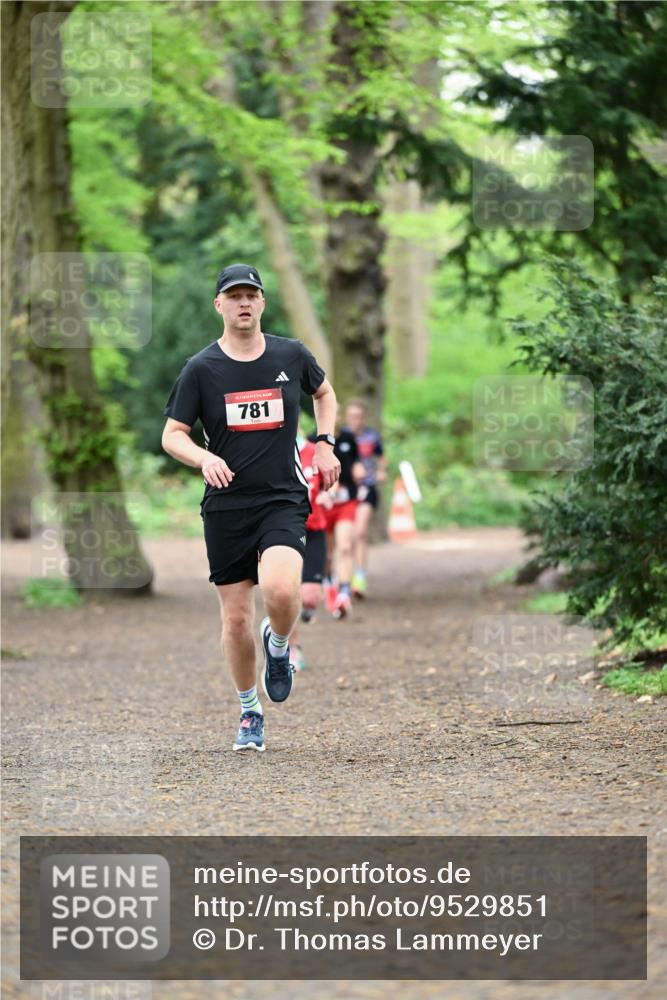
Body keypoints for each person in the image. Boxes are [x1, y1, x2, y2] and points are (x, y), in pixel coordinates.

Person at [161, 263, 340, 752]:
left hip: (281, 497)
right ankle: (248, 712)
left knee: (283, 593)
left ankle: (278, 648)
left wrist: (324, 444)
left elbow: (324, 394)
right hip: (226, 508)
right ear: (219, 305)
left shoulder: (290, 354)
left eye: (251, 295)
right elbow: (172, 435)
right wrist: (204, 457)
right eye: (233, 295)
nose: (243, 303)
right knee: (236, 620)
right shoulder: (201, 369)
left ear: (262, 303)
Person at [288, 424, 332, 670]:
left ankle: (306, 609)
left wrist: (329, 494)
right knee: (289, 591)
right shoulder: (277, 451)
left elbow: (332, 478)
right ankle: (293, 648)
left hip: (315, 530)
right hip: (288, 531)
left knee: (310, 598)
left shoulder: (316, 451)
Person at [322, 416, 366, 619]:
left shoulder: (348, 437)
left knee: (345, 546)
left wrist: (358, 469)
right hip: (325, 503)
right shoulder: (316, 439)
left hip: (347, 501)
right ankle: (329, 584)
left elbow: (356, 461)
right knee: (328, 554)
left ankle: (344, 594)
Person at [342, 399, 386, 599]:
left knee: (359, 533)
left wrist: (381, 471)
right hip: (346, 491)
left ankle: (359, 578)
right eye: (351, 416)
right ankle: (343, 578)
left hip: (367, 488)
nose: (355, 421)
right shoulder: (341, 437)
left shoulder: (371, 436)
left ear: (364, 418)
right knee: (346, 538)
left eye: (358, 417)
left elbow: (382, 455)